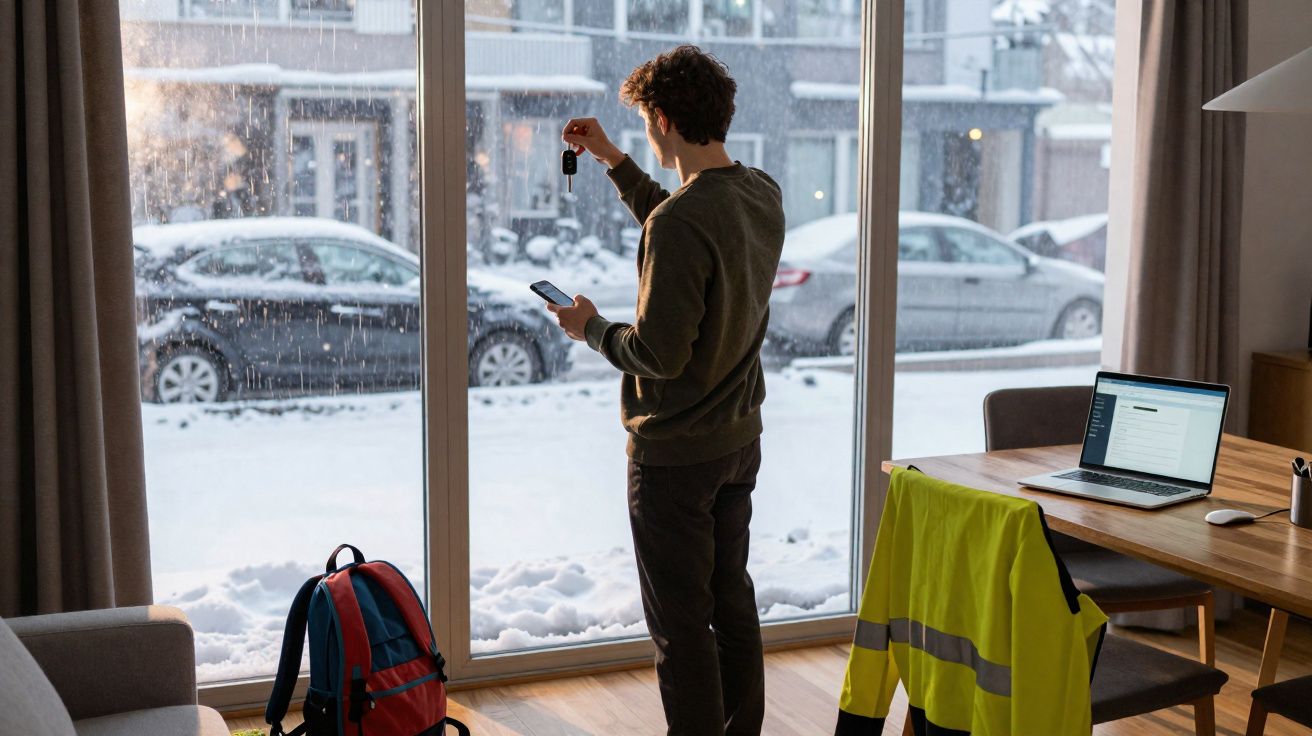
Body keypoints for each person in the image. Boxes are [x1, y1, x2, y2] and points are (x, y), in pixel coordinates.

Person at [548, 45, 785, 736]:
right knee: (731, 603)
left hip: (676, 458)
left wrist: (589, 327)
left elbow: (657, 352)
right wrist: (613, 160)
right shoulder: (758, 190)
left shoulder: (680, 222)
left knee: (681, 629)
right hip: (739, 443)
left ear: (662, 119)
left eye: (645, 125)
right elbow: (682, 222)